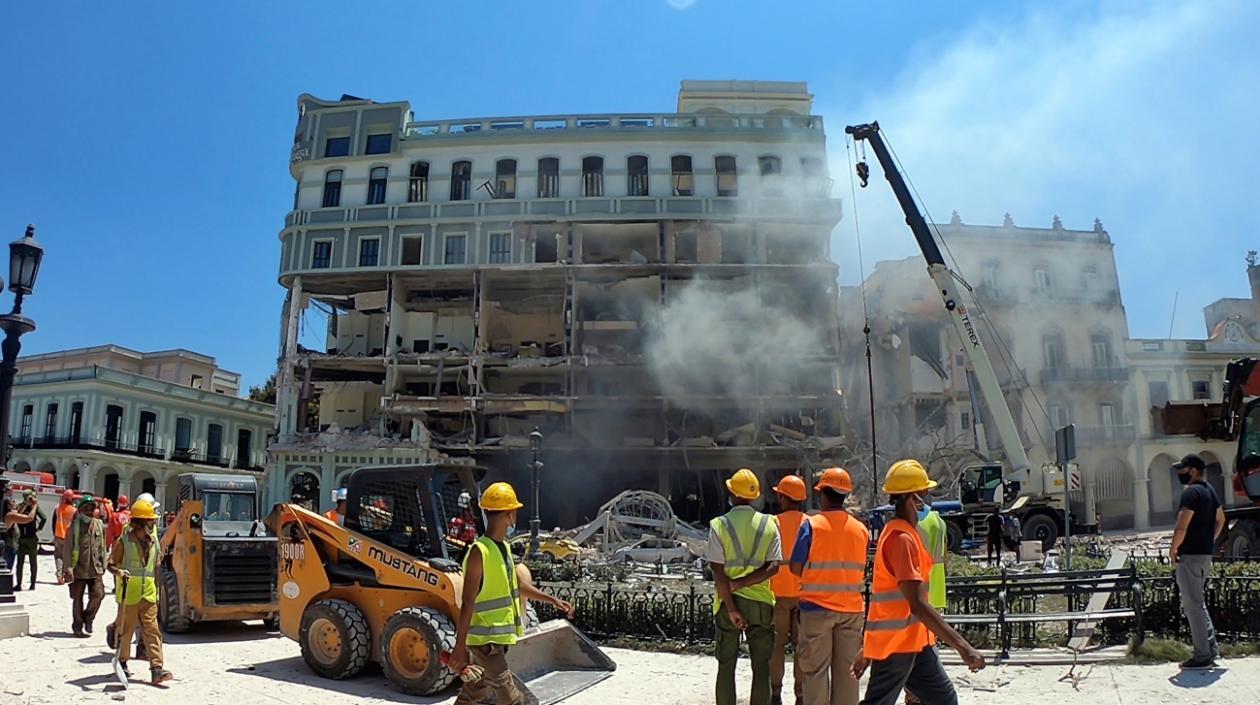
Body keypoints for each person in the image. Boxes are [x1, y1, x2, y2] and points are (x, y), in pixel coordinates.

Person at [854, 460, 985, 705]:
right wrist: (963, 647)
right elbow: (916, 604)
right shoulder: (901, 538)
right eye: (925, 493)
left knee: (944, 700)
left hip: (917, 641)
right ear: (914, 498)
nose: (928, 499)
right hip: (898, 644)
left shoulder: (907, 533)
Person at [449, 482, 573, 705]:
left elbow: (515, 585)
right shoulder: (480, 552)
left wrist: (552, 599)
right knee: (511, 697)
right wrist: (459, 648)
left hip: (497, 640)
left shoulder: (503, 548)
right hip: (485, 643)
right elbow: (467, 603)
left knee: (474, 692)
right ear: (510, 515)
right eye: (514, 512)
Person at [790, 468, 868, 705]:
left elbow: (795, 566)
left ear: (823, 494)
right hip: (852, 610)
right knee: (847, 673)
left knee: (815, 672)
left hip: (816, 609)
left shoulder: (812, 526)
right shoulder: (860, 529)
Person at [707, 468, 782, 705]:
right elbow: (773, 568)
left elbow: (717, 570)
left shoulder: (719, 525)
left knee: (726, 665)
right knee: (761, 668)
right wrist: (745, 582)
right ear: (755, 496)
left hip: (728, 602)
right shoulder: (770, 523)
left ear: (731, 493)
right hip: (760, 603)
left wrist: (731, 605)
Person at [107, 498, 172, 685]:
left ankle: (157, 669)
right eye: (151, 521)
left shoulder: (154, 541)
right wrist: (119, 572)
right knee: (126, 631)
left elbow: (156, 566)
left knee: (153, 631)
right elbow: (110, 565)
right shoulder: (124, 542)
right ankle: (122, 663)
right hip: (129, 594)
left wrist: (159, 592)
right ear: (142, 523)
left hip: (149, 594)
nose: (154, 524)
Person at [1170, 454, 1225, 669]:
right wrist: (1209, 539)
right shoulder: (1210, 491)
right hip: (1204, 555)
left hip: (1190, 556)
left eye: (1182, 470)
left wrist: (1173, 548)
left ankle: (1202, 655)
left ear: (1192, 470)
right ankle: (1210, 649)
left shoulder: (1191, 493)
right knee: (1198, 604)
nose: (1180, 474)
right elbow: (1221, 519)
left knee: (1193, 606)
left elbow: (1182, 526)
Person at [904, 499, 948, 705]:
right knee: (929, 642)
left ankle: (914, 696)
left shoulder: (914, 525)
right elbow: (944, 555)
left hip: (920, 588)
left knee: (916, 644)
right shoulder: (939, 521)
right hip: (937, 587)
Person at [769, 475, 807, 705]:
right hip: (803, 596)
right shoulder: (809, 523)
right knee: (802, 648)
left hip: (777, 595)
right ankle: (801, 695)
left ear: (783, 498)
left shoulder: (772, 522)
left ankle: (775, 694)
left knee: (777, 648)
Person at [60, 494, 108, 637]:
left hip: (95, 567)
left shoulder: (99, 525)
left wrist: (104, 563)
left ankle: (88, 617)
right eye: (86, 508)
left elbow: (103, 546)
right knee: (77, 598)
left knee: (99, 594)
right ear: (80, 510)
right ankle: (77, 626)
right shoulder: (74, 527)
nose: (89, 511)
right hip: (78, 568)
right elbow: (68, 548)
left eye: (91, 509)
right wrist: (67, 568)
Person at [14, 489, 47, 591]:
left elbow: (44, 517)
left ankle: (20, 584)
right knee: (32, 562)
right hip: (31, 538)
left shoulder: (28, 506)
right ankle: (32, 584)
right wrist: (39, 528)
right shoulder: (33, 507)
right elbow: (44, 518)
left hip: (22, 538)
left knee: (21, 562)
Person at [53, 491, 79, 582]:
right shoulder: (74, 510)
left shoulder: (57, 508)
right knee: (68, 557)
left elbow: (54, 522)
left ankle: (59, 575)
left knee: (58, 556)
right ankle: (67, 575)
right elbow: (76, 525)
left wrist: (54, 534)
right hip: (68, 537)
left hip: (58, 535)